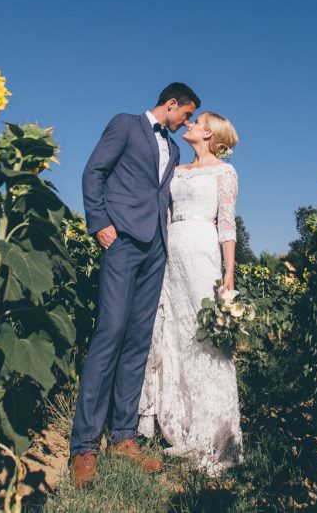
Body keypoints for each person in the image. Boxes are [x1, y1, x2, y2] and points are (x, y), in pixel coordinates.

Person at [68, 82, 200, 489]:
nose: (187, 122)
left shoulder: (175, 150)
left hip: (156, 250)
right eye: (186, 114)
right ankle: (84, 445)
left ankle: (123, 437)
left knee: (138, 341)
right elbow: (95, 171)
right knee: (110, 333)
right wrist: (100, 223)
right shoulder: (125, 125)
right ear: (171, 104)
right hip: (122, 241)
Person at [137, 111, 243, 476]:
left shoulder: (225, 173)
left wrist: (229, 272)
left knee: (205, 337)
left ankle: (215, 435)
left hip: (201, 252)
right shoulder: (177, 168)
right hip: (170, 253)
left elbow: (226, 224)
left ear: (210, 134)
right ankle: (179, 423)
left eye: (196, 123)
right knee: (174, 334)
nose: (190, 125)